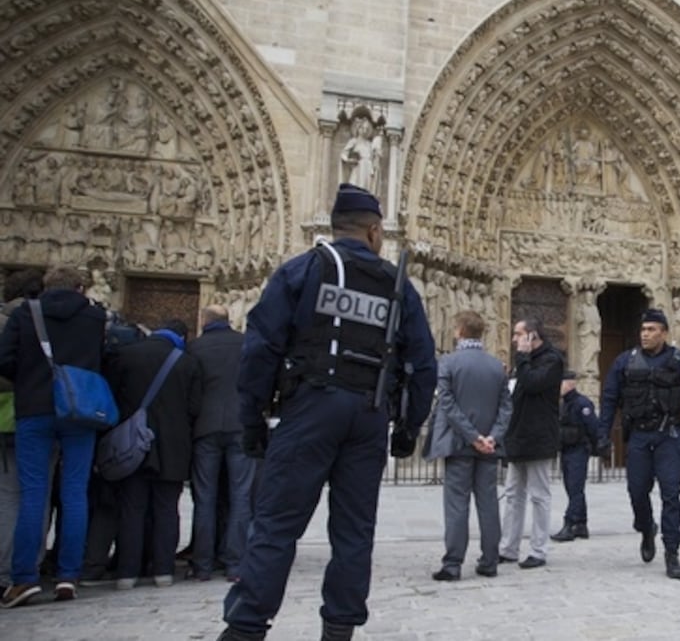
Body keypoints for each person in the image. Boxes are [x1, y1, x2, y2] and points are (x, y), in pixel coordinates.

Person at [217, 183, 437, 641]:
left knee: (277, 525)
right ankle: (339, 631)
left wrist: (253, 417)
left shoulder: (303, 270)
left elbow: (260, 349)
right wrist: (410, 425)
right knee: (354, 533)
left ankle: (245, 629)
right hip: (370, 413)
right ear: (375, 231)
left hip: (310, 406)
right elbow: (423, 363)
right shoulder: (397, 289)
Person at [0, 266, 106, 607]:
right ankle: (67, 576)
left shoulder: (24, 314)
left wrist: (29, 381)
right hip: (79, 409)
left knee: (34, 492)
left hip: (35, 408)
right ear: (80, 286)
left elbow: (4, 359)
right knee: (75, 492)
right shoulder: (94, 316)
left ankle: (25, 579)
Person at [597, 308, 680, 580]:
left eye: (651, 330)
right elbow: (609, 400)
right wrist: (602, 435)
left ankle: (672, 551)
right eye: (643, 330)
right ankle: (646, 528)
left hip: (669, 436)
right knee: (637, 491)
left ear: (664, 333)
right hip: (639, 436)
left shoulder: (679, 361)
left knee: (671, 494)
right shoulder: (625, 361)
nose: (645, 334)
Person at [105, 319, 202, 590]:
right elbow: (195, 407)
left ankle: (127, 572)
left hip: (132, 443)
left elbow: (112, 397)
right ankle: (163, 571)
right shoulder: (187, 363)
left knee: (132, 509)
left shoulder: (126, 356)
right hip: (173, 445)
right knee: (166, 509)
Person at [424, 310, 511, 580]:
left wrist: (472, 436)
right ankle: (489, 560)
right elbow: (506, 408)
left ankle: (453, 563)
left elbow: (447, 405)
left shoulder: (449, 363)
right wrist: (491, 437)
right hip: (488, 447)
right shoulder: (496, 366)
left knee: (457, 505)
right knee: (488, 503)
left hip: (459, 444)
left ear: (460, 331)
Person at [187, 305, 255, 582]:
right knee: (241, 495)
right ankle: (235, 563)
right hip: (240, 424)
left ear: (204, 320)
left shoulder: (194, 348)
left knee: (205, 497)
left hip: (205, 427)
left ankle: (202, 564)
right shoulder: (245, 344)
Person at [498, 318, 563, 569]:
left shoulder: (552, 360)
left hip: (538, 436)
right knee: (513, 494)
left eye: (518, 335)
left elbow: (534, 383)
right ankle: (509, 547)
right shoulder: (523, 363)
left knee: (539, 495)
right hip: (518, 434)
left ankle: (538, 549)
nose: (514, 340)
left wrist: (523, 359)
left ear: (532, 336)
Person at [0, 269, 44, 596]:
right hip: (46, 412)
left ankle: (10, 569)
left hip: (14, 415)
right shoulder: (54, 323)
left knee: (11, 494)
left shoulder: (9, 321)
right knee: (36, 493)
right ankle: (31, 565)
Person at [552, 370, 599, 542]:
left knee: (575, 487)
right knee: (572, 487)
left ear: (570, 383)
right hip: (567, 448)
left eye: (561, 383)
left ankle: (570, 524)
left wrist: (595, 447)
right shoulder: (563, 403)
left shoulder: (582, 403)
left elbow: (593, 427)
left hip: (579, 448)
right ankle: (581, 524)